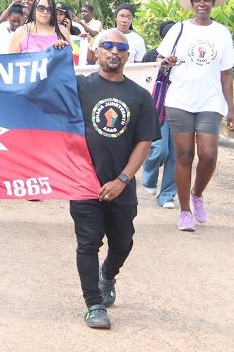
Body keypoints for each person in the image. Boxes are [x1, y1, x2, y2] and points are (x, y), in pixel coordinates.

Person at [72, 29, 158, 329]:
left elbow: (145, 141)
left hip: (121, 184)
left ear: (128, 55)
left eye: (121, 47)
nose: (114, 51)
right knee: (88, 242)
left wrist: (123, 179)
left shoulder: (140, 97)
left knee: (122, 243)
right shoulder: (78, 88)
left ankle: (107, 275)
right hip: (83, 182)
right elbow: (42, 87)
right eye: (107, 45)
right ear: (96, 51)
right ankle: (93, 304)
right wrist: (58, 51)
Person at [158, 0, 234, 232]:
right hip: (180, 99)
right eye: (197, 0)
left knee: (208, 154)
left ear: (212, 4)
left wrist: (231, 110)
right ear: (191, 5)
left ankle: (197, 193)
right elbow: (161, 63)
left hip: (210, 101)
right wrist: (166, 62)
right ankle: (184, 212)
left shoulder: (222, 33)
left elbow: (226, 74)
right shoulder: (178, 30)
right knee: (183, 155)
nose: (202, 4)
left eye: (207, 0)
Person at [141, 21, 177, 208]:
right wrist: (162, 66)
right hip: (159, 108)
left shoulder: (189, 55)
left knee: (177, 155)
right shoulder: (152, 55)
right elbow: (145, 80)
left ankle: (167, 195)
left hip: (181, 109)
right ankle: (149, 175)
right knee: (160, 149)